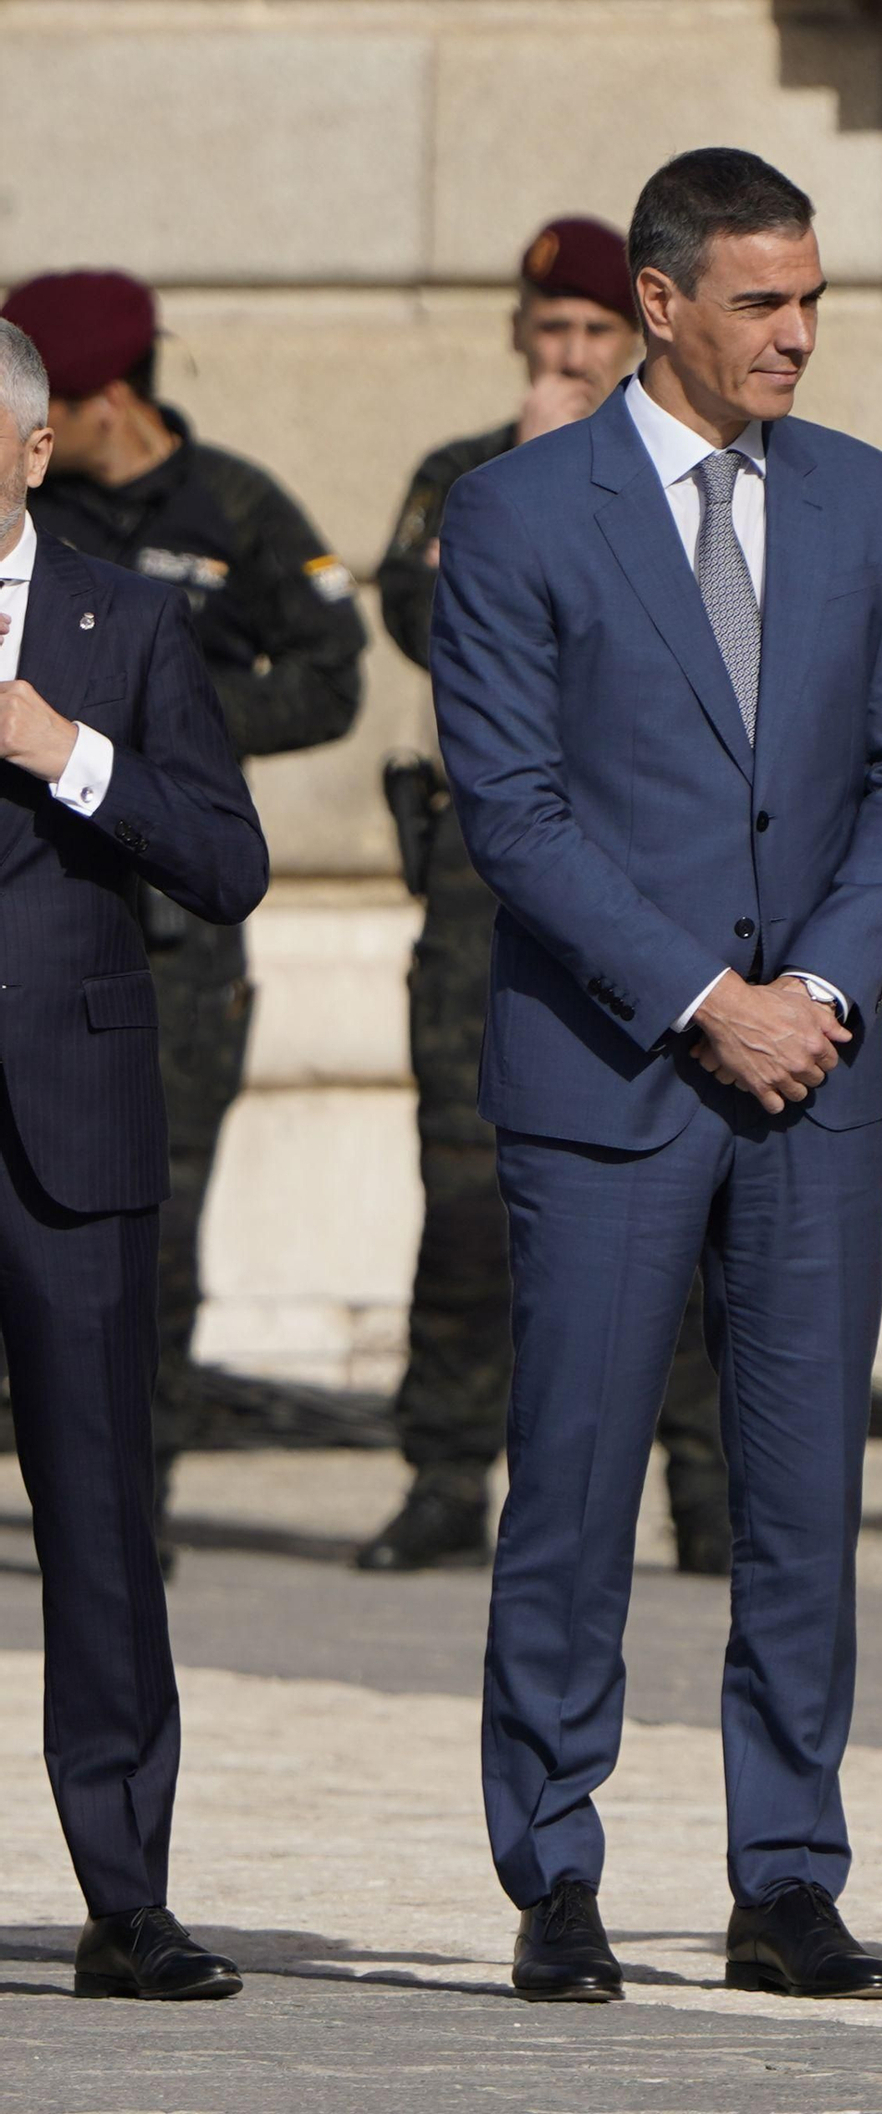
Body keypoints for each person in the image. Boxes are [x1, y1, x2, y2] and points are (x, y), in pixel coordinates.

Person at [430, 147, 882, 2004]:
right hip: (611, 1079)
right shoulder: (514, 516)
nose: (797, 336)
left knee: (800, 1494)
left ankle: (788, 1875)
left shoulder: (867, 501)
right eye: (762, 300)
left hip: (816, 1080)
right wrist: (697, 995)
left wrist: (812, 983)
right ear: (661, 302)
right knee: (573, 1485)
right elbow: (512, 803)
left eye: (813, 300)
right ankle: (557, 1866)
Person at [360, 217, 732, 1576]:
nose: (571, 357)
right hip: (487, 883)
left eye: (594, 334)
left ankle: (704, 1488)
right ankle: (446, 1472)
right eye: (551, 332)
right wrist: (527, 476)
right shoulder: (467, 477)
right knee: (464, 1185)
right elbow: (416, 619)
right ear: (521, 336)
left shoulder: (680, 476)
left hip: (647, 869)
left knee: (687, 1177)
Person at [0, 270, 367, 1569]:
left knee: (140, 1238)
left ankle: (124, 1510)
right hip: (37, 918)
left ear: (110, 400)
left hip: (171, 938)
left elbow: (333, 675)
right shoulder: (36, 518)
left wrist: (168, 731)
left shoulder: (238, 508)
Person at [0, 320, 267, 1998]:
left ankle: (127, 1893)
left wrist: (65, 752)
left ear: (33, 453)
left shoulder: (130, 617)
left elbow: (226, 856)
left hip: (65, 1136)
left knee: (98, 1513)